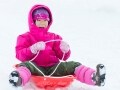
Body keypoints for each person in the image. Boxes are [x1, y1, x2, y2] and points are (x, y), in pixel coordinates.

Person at [9, 4, 106, 87]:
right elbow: (19, 55)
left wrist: (65, 50)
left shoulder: (54, 37)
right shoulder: (24, 37)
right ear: (33, 21)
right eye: (39, 20)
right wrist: (32, 49)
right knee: (25, 65)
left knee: (73, 65)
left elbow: (62, 57)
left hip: (53, 68)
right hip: (35, 68)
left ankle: (94, 77)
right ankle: (18, 79)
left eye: (45, 20)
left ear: (49, 21)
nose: (42, 23)